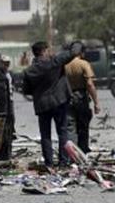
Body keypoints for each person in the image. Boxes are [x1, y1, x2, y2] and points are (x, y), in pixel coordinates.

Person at [21, 40, 77, 168]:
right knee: (62, 132)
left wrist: (39, 90)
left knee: (45, 135)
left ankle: (49, 163)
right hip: (59, 102)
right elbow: (72, 53)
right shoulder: (54, 62)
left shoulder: (29, 71)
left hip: (42, 105)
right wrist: (76, 44)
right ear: (44, 51)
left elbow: (26, 90)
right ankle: (63, 162)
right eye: (48, 50)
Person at [64, 41, 100, 155]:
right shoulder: (84, 64)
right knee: (83, 126)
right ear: (82, 52)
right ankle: (82, 151)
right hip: (81, 98)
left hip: (67, 97)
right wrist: (96, 102)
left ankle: (71, 154)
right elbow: (89, 84)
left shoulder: (64, 65)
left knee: (70, 127)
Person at [0, 55, 17, 160]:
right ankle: (5, 137)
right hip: (3, 100)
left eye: (8, 63)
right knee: (5, 119)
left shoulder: (9, 73)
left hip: (10, 99)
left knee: (11, 118)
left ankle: (11, 133)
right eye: (5, 63)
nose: (7, 65)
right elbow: (0, 86)